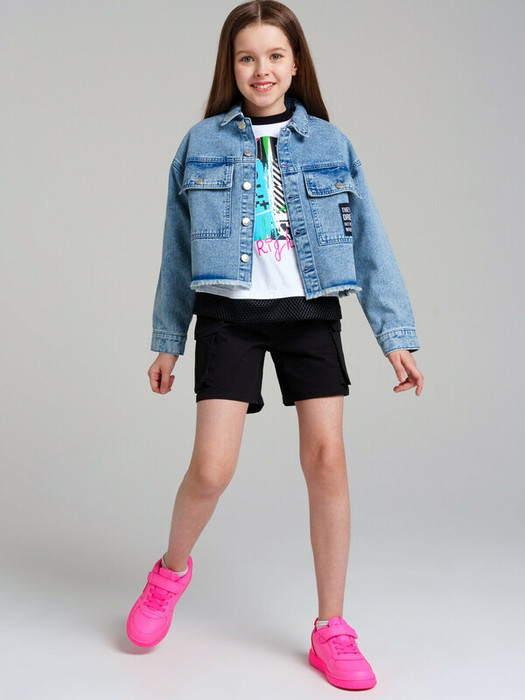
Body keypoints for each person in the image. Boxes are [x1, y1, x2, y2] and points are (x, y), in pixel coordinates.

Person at [126, 0, 423, 691]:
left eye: (275, 55)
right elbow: (176, 249)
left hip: (310, 314)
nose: (261, 69)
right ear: (231, 66)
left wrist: (395, 336)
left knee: (327, 462)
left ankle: (331, 627)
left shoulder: (330, 144)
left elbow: (370, 242)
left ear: (295, 64)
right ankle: (169, 574)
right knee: (211, 469)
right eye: (247, 57)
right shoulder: (200, 143)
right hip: (227, 316)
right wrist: (168, 339)